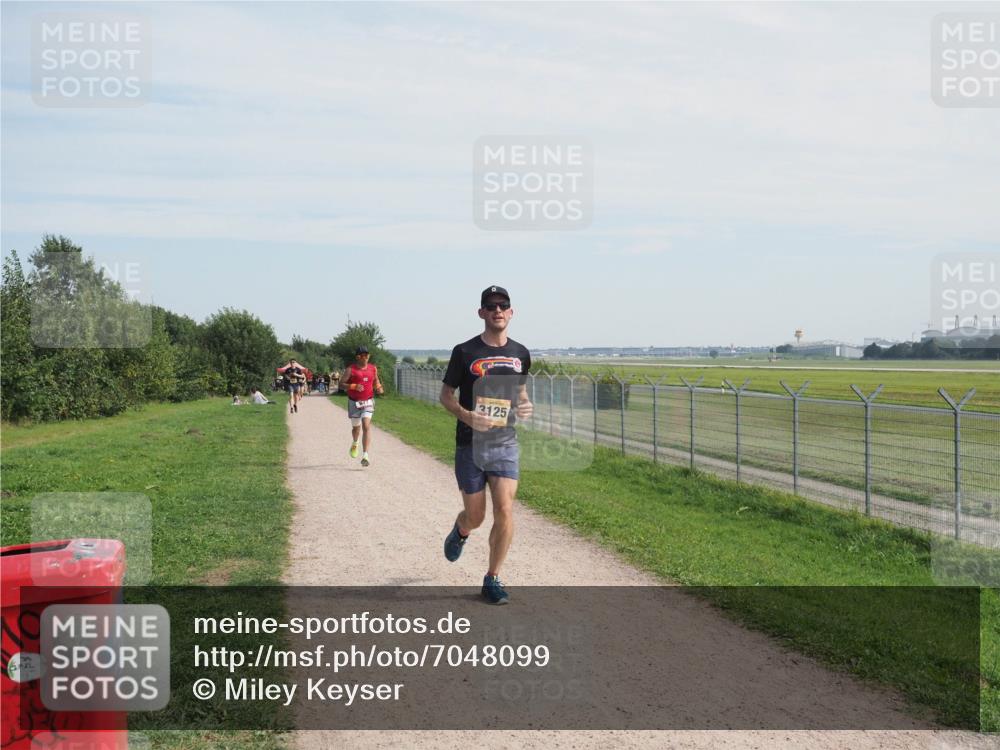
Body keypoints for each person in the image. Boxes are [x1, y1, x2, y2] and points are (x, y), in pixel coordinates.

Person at [439, 285, 532, 605]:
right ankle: (461, 530)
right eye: (490, 306)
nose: (497, 310)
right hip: (471, 445)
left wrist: (525, 405)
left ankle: (492, 578)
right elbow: (445, 397)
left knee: (505, 509)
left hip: (505, 442)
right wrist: (468, 417)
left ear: (511, 311)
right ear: (481, 312)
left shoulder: (520, 353)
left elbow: (520, 394)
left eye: (503, 305)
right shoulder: (464, 352)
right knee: (476, 516)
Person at [344, 345, 384, 467]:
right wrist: (353, 386)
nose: (366, 357)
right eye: (364, 355)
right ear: (358, 357)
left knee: (366, 426)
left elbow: (376, 380)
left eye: (368, 355)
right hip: (354, 402)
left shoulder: (373, 368)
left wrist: (378, 387)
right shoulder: (351, 369)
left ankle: (365, 455)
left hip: (368, 401)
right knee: (356, 428)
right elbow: (341, 384)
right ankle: (355, 443)